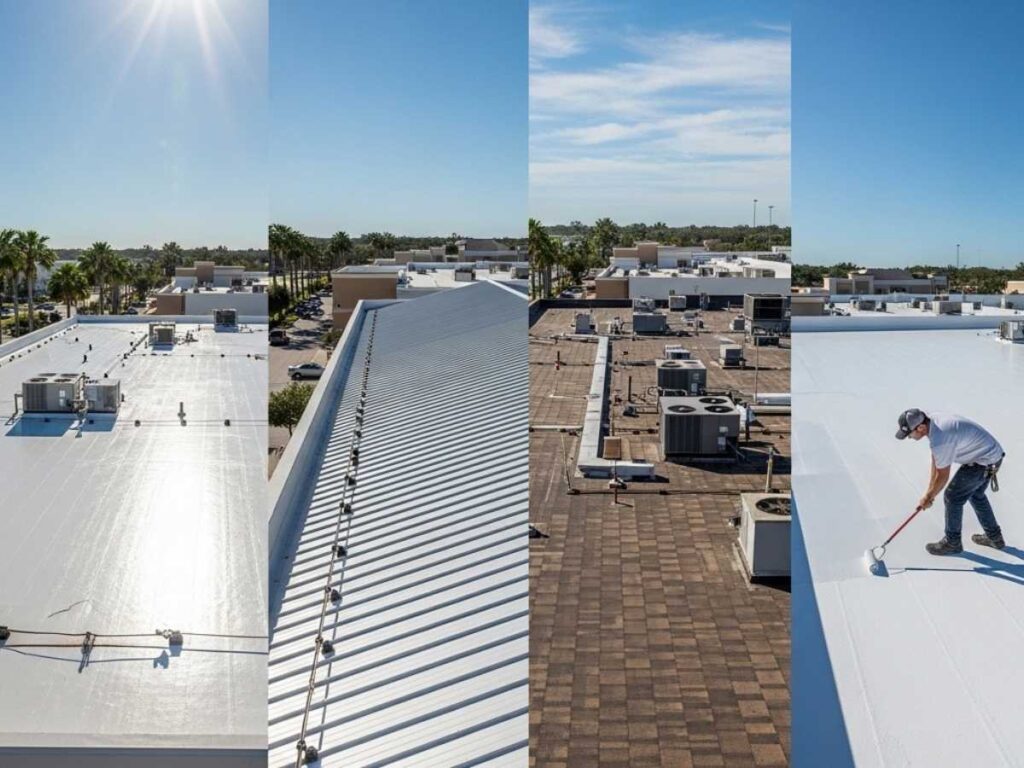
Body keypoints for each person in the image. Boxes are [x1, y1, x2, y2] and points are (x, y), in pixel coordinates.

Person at [895, 408, 1006, 555]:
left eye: (909, 433)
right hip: (992, 455)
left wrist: (929, 497)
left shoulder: (940, 439)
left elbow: (942, 475)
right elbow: (936, 460)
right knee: (976, 495)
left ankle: (952, 542)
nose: (909, 437)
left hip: (983, 461)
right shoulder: (932, 421)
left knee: (952, 497)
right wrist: (929, 493)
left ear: (921, 427)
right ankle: (995, 538)